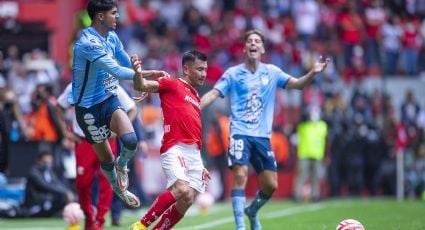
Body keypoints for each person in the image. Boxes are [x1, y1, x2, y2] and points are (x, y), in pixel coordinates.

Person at [200, 29, 330, 230]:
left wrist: (312, 72)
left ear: (262, 48)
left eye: (257, 41)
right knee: (240, 175)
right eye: (250, 41)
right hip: (239, 133)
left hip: (262, 136)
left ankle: (252, 211)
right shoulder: (233, 73)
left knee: (271, 185)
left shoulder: (272, 72)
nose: (253, 43)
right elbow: (214, 94)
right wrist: (193, 106)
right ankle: (240, 226)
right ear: (244, 48)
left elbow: (297, 85)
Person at [70, 0, 167, 207]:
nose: (118, 16)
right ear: (100, 16)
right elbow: (117, 71)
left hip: (109, 100)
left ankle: (122, 165)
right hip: (88, 109)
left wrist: (140, 74)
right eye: (114, 13)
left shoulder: (112, 37)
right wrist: (148, 76)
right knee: (105, 160)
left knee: (130, 141)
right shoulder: (88, 43)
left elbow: (125, 62)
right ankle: (119, 190)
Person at [129, 50, 210, 230]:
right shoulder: (172, 84)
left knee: (188, 198)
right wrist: (137, 73)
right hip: (175, 146)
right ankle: (140, 226)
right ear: (186, 69)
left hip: (194, 153)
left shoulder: (196, 96)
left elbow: (193, 128)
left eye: (205, 69)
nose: (204, 74)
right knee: (180, 188)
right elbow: (142, 86)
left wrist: (199, 162)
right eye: (199, 69)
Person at [56, 83, 137, 230]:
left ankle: (100, 220)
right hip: (83, 140)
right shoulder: (74, 86)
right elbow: (59, 106)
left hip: (106, 139)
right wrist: (65, 132)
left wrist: (118, 131)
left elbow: (132, 109)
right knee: (82, 183)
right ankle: (88, 217)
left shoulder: (112, 86)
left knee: (106, 181)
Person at [293, 108, 328, 202]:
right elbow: (296, 124)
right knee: (302, 175)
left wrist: (326, 155)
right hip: (304, 154)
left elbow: (326, 140)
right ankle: (296, 195)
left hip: (317, 155)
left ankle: (315, 195)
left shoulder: (322, 126)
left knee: (315, 176)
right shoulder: (303, 126)